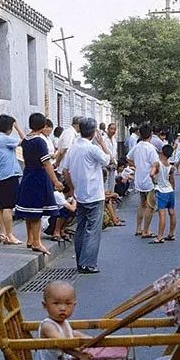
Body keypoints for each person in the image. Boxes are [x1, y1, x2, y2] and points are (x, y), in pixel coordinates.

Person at [62, 117, 112, 273]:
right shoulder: (92, 148)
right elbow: (109, 160)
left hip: (80, 194)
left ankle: (80, 261)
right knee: (92, 230)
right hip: (95, 194)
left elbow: (65, 171)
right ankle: (88, 263)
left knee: (81, 228)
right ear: (93, 132)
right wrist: (102, 143)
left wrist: (73, 187)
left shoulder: (74, 148)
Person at [15, 112, 63, 256]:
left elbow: (23, 138)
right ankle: (36, 242)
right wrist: (55, 181)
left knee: (29, 210)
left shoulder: (26, 140)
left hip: (27, 175)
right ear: (43, 126)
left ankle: (30, 239)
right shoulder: (40, 141)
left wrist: (17, 128)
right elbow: (46, 163)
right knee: (37, 211)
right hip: (38, 177)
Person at [0, 114, 24, 246]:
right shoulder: (5, 139)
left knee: (0, 207)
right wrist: (18, 127)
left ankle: (2, 233)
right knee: (8, 207)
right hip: (9, 175)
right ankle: (10, 235)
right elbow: (24, 141)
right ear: (9, 128)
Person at [127, 125, 159, 237]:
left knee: (142, 204)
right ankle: (146, 230)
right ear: (151, 134)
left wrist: (136, 166)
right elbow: (156, 164)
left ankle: (138, 228)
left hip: (139, 179)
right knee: (150, 206)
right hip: (149, 180)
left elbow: (128, 158)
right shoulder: (151, 148)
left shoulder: (137, 147)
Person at [149, 144, 177, 243]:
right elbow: (172, 180)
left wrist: (154, 180)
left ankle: (160, 236)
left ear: (162, 152)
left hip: (161, 190)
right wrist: (173, 189)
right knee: (172, 212)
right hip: (170, 190)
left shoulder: (157, 164)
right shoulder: (170, 166)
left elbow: (151, 174)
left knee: (162, 214)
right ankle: (171, 233)